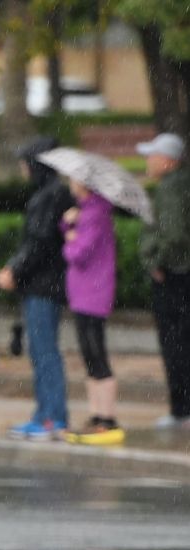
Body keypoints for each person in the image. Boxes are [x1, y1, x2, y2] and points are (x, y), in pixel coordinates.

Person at [0, 137, 74, 440]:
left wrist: (14, 270)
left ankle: (52, 417)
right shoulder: (54, 194)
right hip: (45, 284)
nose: (23, 169)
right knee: (41, 351)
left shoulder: (49, 197)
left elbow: (38, 243)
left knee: (44, 352)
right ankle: (45, 414)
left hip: (44, 286)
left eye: (25, 163)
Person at [60, 182, 123, 444]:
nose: (71, 183)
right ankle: (96, 415)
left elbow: (80, 253)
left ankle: (107, 417)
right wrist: (67, 225)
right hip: (82, 292)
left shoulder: (96, 214)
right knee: (88, 352)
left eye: (74, 179)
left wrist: (68, 239)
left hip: (94, 292)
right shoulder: (86, 211)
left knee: (96, 351)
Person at [137, 132, 190, 429]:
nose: (148, 161)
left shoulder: (170, 189)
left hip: (175, 276)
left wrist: (157, 262)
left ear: (168, 161)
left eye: (152, 155)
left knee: (175, 344)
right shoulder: (179, 185)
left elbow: (175, 234)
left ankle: (181, 410)